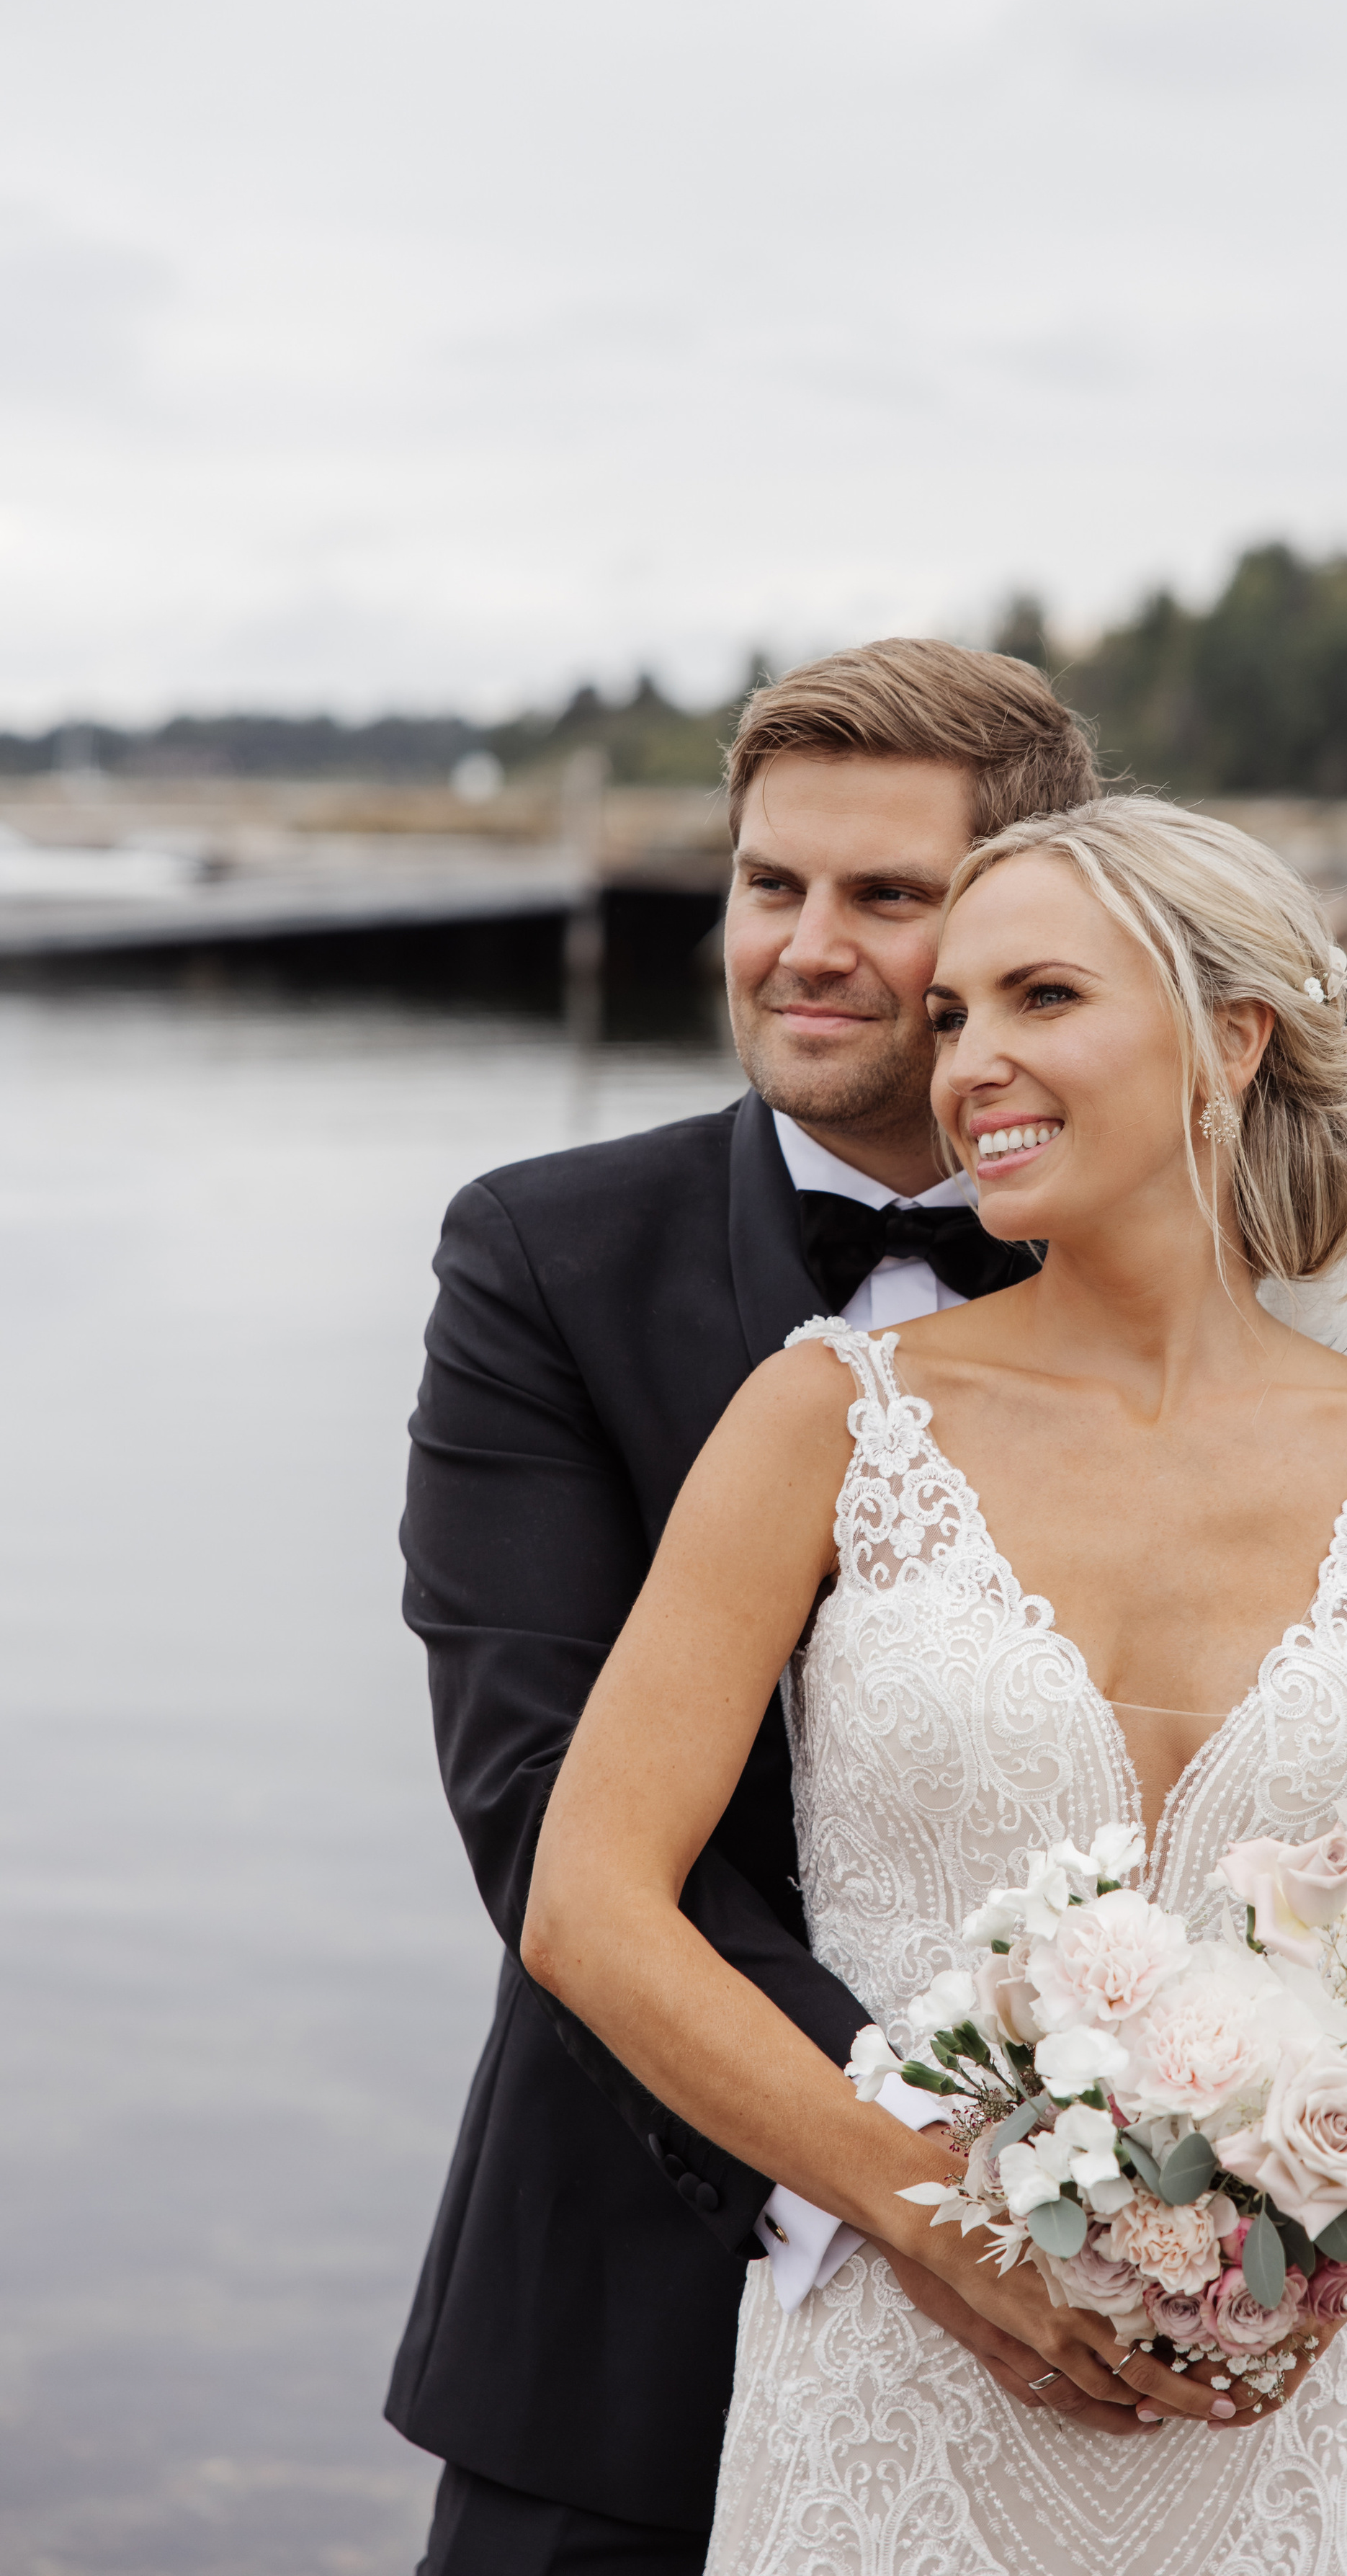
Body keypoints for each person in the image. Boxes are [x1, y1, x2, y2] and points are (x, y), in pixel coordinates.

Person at [522, 798, 1347, 2575]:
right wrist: (934, 2219)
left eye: (1041, 998)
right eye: (951, 1017)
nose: (967, 1066)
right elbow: (589, 1907)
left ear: (1230, 1041)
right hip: (895, 2388)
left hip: (1277, 2404)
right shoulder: (826, 1417)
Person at [386, 640, 1112, 2575]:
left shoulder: (1196, 1285)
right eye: (769, 884)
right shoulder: (540, 1257)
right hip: (631, 2313)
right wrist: (916, 2189)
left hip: (1115, 2305)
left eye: (886, 896)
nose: (805, 948)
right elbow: (539, 1798)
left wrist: (1171, 2173)